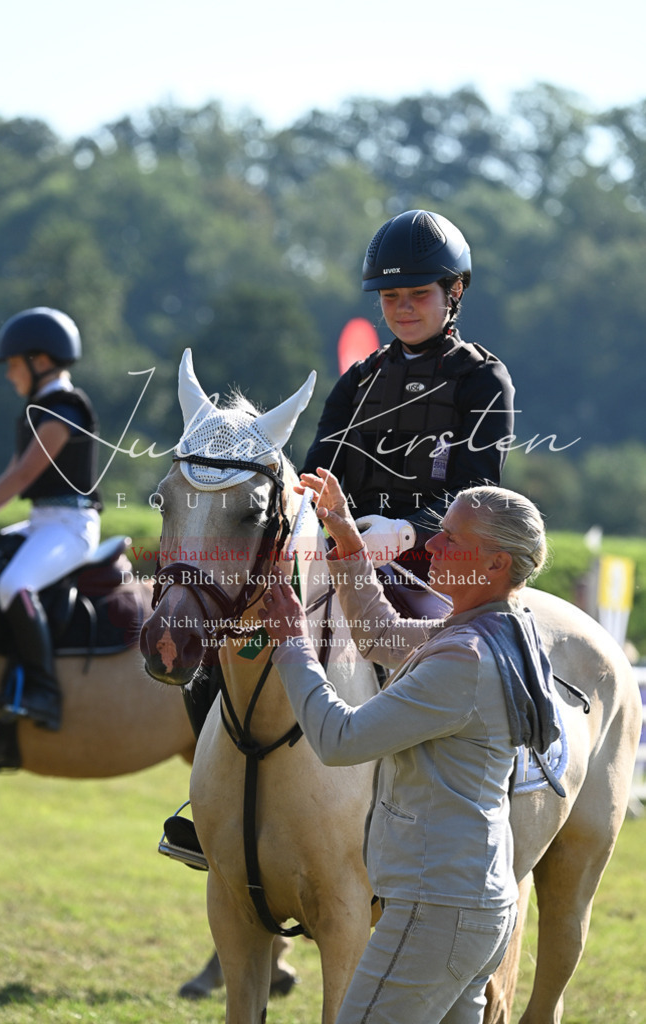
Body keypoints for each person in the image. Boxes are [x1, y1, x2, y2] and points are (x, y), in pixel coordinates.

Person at [259, 467, 559, 1024]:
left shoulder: (465, 657)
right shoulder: (494, 629)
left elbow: (339, 739)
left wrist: (292, 644)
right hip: (471, 905)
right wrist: (347, 538)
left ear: (496, 564)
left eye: (451, 538)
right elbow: (378, 635)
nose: (432, 546)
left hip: (437, 910)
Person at [302, 209, 516, 618]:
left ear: (454, 290)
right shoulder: (357, 381)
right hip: (350, 557)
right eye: (390, 296)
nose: (403, 309)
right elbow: (316, 479)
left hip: (438, 569)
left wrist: (406, 532)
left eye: (418, 294)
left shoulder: (484, 378)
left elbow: (476, 492)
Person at [0, 307, 101, 731]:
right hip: (43, 522)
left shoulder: (64, 411)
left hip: (71, 526)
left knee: (15, 584)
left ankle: (43, 691)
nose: (9, 375)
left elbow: (23, 476)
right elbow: (10, 475)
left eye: (12, 364)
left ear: (40, 361)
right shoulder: (39, 410)